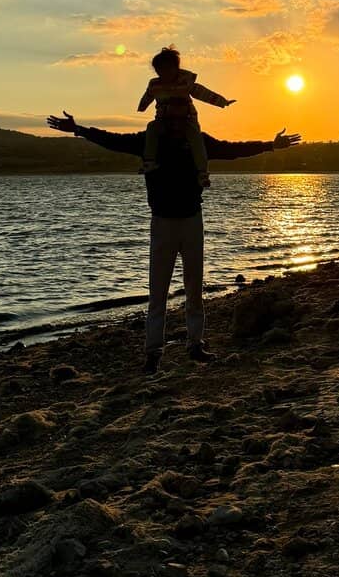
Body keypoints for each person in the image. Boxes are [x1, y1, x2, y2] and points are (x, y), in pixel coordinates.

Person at [46, 110, 301, 373]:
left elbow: (232, 149)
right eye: (172, 117)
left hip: (191, 219)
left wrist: (270, 145)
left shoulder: (197, 141)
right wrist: (79, 129)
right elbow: (114, 140)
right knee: (158, 291)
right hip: (163, 222)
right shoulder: (150, 141)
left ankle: (194, 345)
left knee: (193, 286)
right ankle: (153, 353)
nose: (177, 122)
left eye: (182, 117)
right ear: (163, 117)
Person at [138, 46, 234, 188]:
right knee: (151, 128)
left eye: (167, 69)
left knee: (196, 138)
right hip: (163, 120)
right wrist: (142, 107)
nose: (163, 73)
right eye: (159, 70)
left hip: (186, 118)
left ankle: (202, 172)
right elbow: (148, 96)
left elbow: (202, 93)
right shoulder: (155, 84)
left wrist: (222, 101)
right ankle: (149, 162)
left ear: (175, 68)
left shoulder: (185, 82)